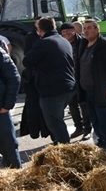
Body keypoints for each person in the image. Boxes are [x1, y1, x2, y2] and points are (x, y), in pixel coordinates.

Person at [23, 17, 75, 145]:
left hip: (52, 89)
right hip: (67, 87)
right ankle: (60, 144)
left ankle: (64, 149)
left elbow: (27, 60)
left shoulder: (44, 42)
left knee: (55, 123)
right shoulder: (63, 41)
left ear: (40, 30)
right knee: (58, 120)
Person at [79, 19, 106, 152]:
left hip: (101, 88)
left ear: (97, 29)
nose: (85, 31)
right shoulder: (84, 44)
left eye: (88, 28)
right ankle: (101, 139)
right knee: (94, 118)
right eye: (84, 28)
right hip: (87, 89)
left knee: (104, 117)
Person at [59, 22, 91, 141]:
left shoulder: (83, 42)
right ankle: (79, 127)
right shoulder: (61, 43)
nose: (66, 34)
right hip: (69, 79)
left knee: (84, 105)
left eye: (68, 31)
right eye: (63, 32)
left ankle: (87, 129)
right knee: (72, 105)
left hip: (82, 78)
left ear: (74, 31)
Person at [0, 40, 21, 168]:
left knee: (8, 144)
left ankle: (15, 174)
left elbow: (14, 78)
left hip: (1, 111)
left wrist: (7, 105)